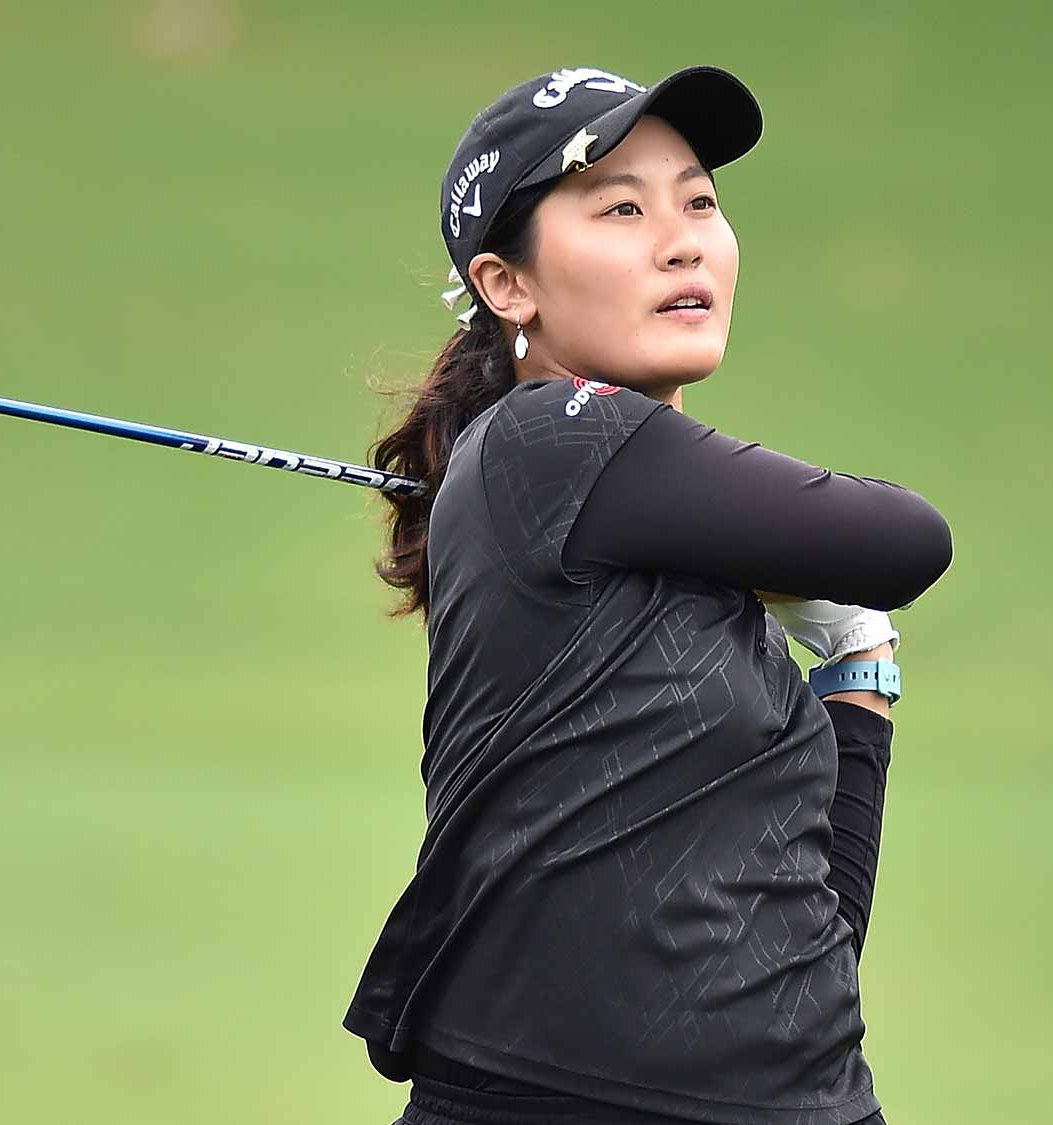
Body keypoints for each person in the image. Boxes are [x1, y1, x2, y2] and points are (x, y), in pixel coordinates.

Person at [348, 66, 952, 1125]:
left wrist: (856, 672)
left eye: (699, 202)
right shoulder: (547, 437)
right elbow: (905, 539)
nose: (680, 240)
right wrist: (833, 583)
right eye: (620, 207)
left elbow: (801, 959)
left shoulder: (647, 545)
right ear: (506, 286)